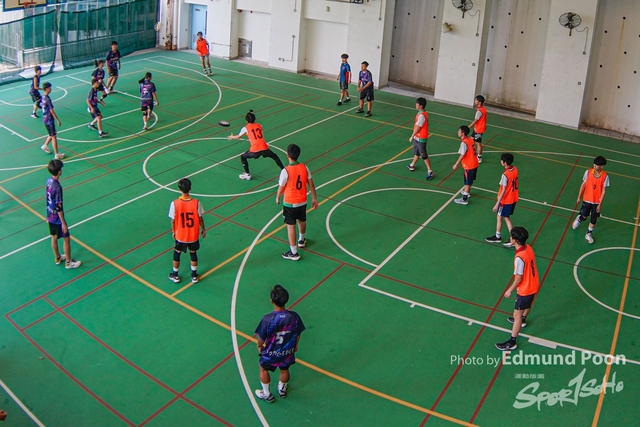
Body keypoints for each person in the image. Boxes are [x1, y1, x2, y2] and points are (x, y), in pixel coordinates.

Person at [254, 285, 306, 402]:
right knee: (284, 370)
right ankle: (282, 389)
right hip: (287, 351)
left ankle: (266, 394)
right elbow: (297, 335)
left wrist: (259, 346)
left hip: (271, 353)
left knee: (263, 369)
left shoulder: (267, 319)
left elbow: (261, 338)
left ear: (271, 301)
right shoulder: (294, 317)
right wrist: (295, 344)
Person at [495, 226, 539, 351]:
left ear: (514, 240)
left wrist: (509, 290)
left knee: (516, 314)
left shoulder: (519, 257)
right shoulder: (528, 248)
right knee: (528, 304)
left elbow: (519, 278)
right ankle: (523, 319)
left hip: (526, 289)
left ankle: (512, 341)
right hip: (534, 283)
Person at [276, 144, 319, 261]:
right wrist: (314, 199)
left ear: (287, 155)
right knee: (302, 220)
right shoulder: (304, 167)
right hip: (302, 201)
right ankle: (301, 240)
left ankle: (294, 252)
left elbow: (281, 188)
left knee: (291, 227)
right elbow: (311, 184)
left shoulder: (285, 171)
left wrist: (278, 197)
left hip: (290, 203)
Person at [227, 110, 285, 180]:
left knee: (243, 157)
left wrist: (232, 137)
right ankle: (283, 170)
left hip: (255, 150)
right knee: (275, 156)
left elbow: (238, 137)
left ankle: (247, 174)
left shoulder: (245, 128)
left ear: (246, 120)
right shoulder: (260, 125)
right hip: (264, 148)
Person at [168, 178, 206, 284]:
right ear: (190, 188)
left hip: (181, 235)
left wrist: (173, 231)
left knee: (177, 253)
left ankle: (175, 275)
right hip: (193, 235)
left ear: (179, 189)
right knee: (193, 253)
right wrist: (203, 229)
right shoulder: (196, 203)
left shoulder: (175, 203)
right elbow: (200, 218)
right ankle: (194, 275)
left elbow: (173, 220)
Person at [46, 159, 81, 270]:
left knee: (54, 236)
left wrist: (48, 215)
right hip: (57, 218)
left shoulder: (48, 181)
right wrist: (63, 223)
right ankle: (68, 262)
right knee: (66, 238)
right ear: (59, 171)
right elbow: (59, 207)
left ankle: (57, 257)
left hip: (50, 215)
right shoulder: (57, 187)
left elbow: (48, 199)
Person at [572, 156, 610, 244]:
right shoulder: (588, 172)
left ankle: (588, 234)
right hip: (587, 199)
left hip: (596, 202)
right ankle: (580, 218)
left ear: (602, 166)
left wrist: (600, 204)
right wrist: (579, 196)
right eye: (594, 165)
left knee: (593, 219)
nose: (594, 166)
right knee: (584, 217)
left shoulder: (605, 176)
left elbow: (604, 191)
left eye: (597, 165)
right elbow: (583, 184)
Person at [485, 153, 519, 247]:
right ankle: (500, 236)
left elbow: (503, 190)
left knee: (504, 218)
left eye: (501, 160)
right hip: (513, 198)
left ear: (504, 163)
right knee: (502, 217)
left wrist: (497, 204)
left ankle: (508, 238)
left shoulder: (505, 175)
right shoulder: (515, 169)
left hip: (506, 200)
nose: (500, 161)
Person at [406, 97, 434, 181]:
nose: (416, 105)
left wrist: (412, 136)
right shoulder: (420, 113)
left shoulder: (422, 116)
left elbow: (418, 127)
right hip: (417, 137)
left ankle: (430, 171)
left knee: (423, 154)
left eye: (417, 104)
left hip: (421, 137)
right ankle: (412, 165)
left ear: (421, 106)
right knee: (417, 152)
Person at [452, 125, 479, 205]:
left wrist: (456, 164)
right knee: (470, 180)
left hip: (469, 165)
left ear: (462, 133)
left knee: (467, 182)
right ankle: (467, 191)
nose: (458, 132)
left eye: (459, 131)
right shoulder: (470, 139)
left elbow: (462, 155)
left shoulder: (464, 143)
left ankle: (464, 199)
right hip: (474, 163)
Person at [40, 82, 65, 160]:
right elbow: (51, 110)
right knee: (54, 136)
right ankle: (57, 154)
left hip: (44, 118)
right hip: (49, 120)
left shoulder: (43, 97)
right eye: (50, 88)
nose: (51, 89)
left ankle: (45, 145)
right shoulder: (47, 99)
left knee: (51, 134)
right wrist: (57, 120)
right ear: (47, 89)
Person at [468, 95, 487, 163]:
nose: (474, 101)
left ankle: (479, 157)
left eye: (476, 100)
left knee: (478, 143)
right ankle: (473, 153)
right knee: (471, 140)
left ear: (479, 102)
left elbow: (475, 121)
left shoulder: (479, 111)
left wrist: (468, 127)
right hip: (477, 128)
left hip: (479, 129)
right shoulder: (483, 108)